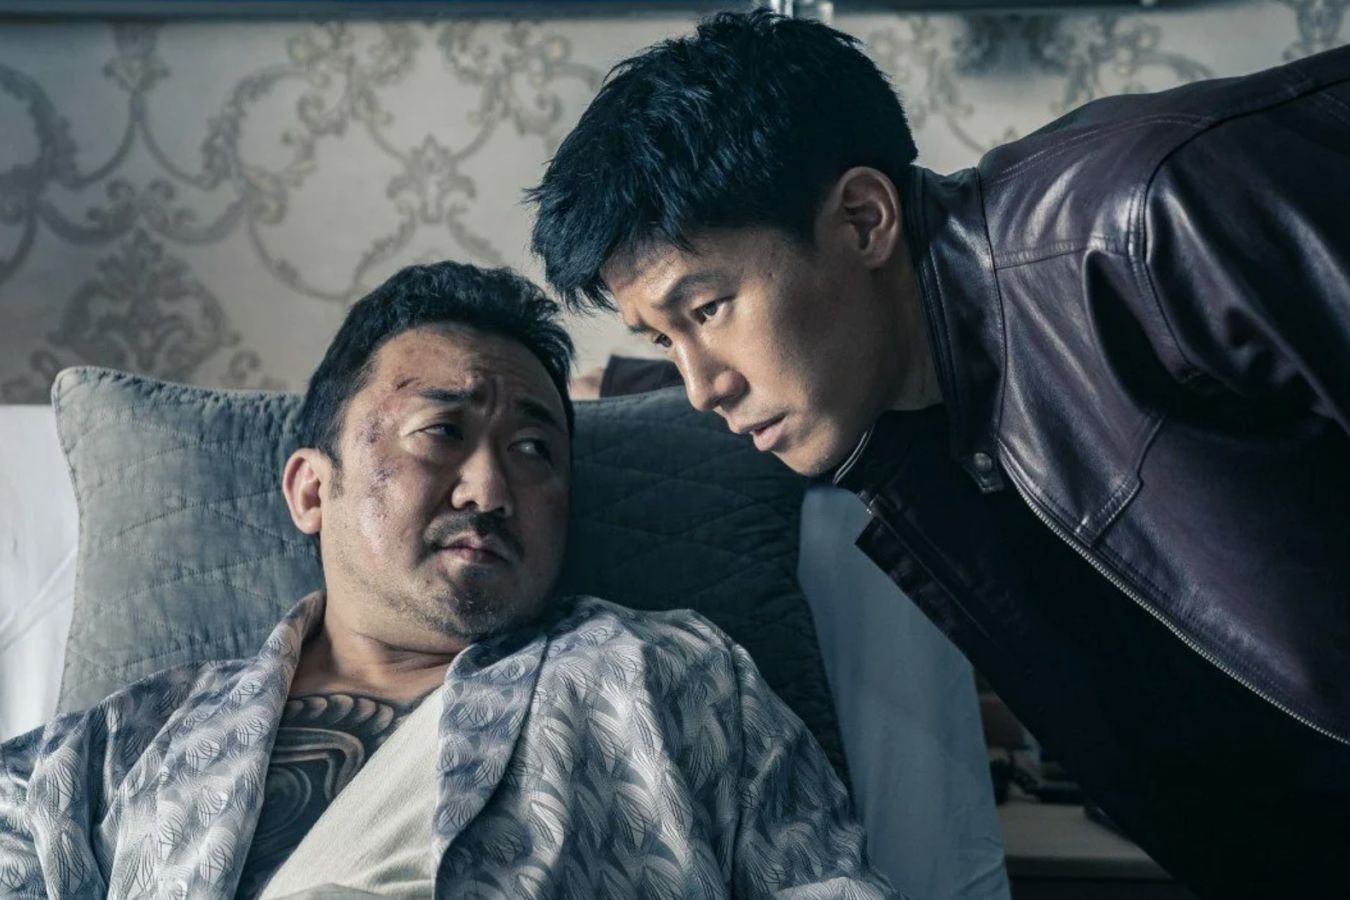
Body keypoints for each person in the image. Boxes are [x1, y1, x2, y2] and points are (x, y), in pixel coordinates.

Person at [527, 10, 1350, 897]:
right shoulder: (916, 416)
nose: (701, 386)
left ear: (863, 220)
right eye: (664, 339)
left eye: (707, 310)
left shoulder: (1160, 219)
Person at [0, 262, 893, 899]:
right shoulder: (118, 751)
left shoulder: (675, 678)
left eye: (535, 450)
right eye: (441, 432)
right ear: (311, 489)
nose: (491, 490)